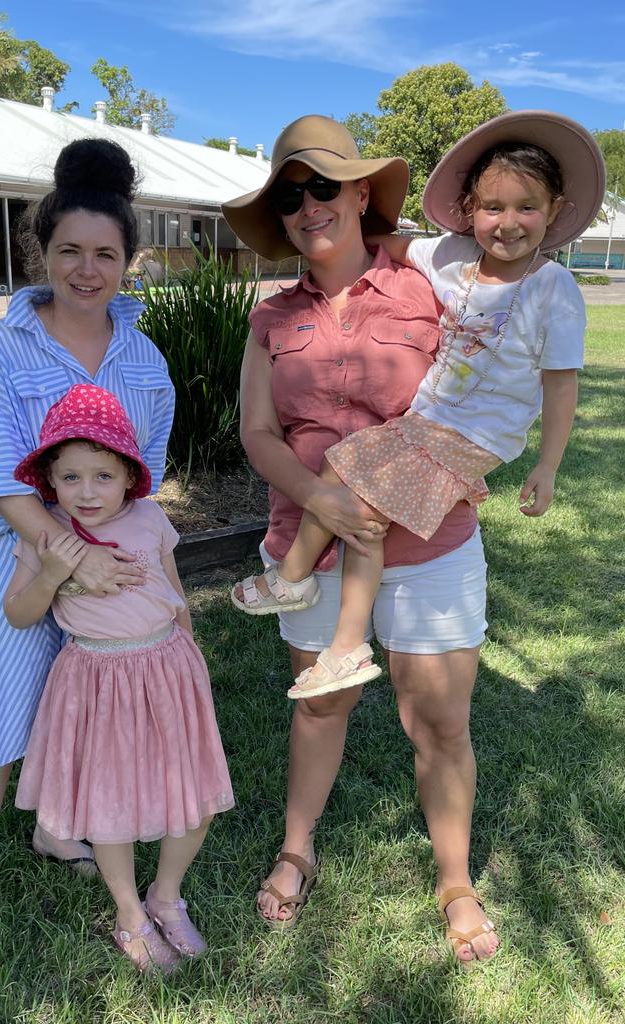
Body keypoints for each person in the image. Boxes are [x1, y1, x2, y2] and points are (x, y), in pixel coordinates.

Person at [222, 113, 503, 963]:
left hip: (430, 543)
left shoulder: (428, 286)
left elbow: (484, 395)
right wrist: (322, 499)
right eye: (293, 193)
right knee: (322, 705)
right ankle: (296, 848)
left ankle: (455, 879)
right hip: (308, 546)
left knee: (440, 723)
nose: (311, 206)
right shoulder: (271, 320)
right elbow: (257, 431)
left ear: (359, 194)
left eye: (324, 186)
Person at [231, 111, 605, 704]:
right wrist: (343, 238)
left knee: (361, 491)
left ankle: (328, 624)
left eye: (526, 208)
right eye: (492, 208)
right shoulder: (452, 260)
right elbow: (398, 243)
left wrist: (549, 465)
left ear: (555, 209)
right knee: (346, 466)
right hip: (427, 422)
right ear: (470, 210)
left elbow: (561, 385)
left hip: (471, 436)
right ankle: (305, 591)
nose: (507, 224)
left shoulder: (551, 289)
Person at [0, 137, 175, 925]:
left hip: (109, 573)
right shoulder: (9, 344)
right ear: (43, 250)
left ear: (128, 259)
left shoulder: (145, 363)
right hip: (15, 561)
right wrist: (65, 556)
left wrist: (109, 564)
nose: (86, 270)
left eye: (105, 253)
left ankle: (56, 831)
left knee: (78, 706)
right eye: (68, 249)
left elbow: (145, 477)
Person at [5, 383, 234, 972]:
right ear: (49, 480)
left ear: (129, 476)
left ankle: (166, 895)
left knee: (193, 792)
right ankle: (129, 913)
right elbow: (18, 613)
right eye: (71, 476)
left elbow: (173, 590)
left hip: (167, 666)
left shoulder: (151, 518)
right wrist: (54, 571)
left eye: (102, 476)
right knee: (110, 799)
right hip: (97, 679)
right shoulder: (48, 535)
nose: (86, 491)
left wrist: (190, 647)